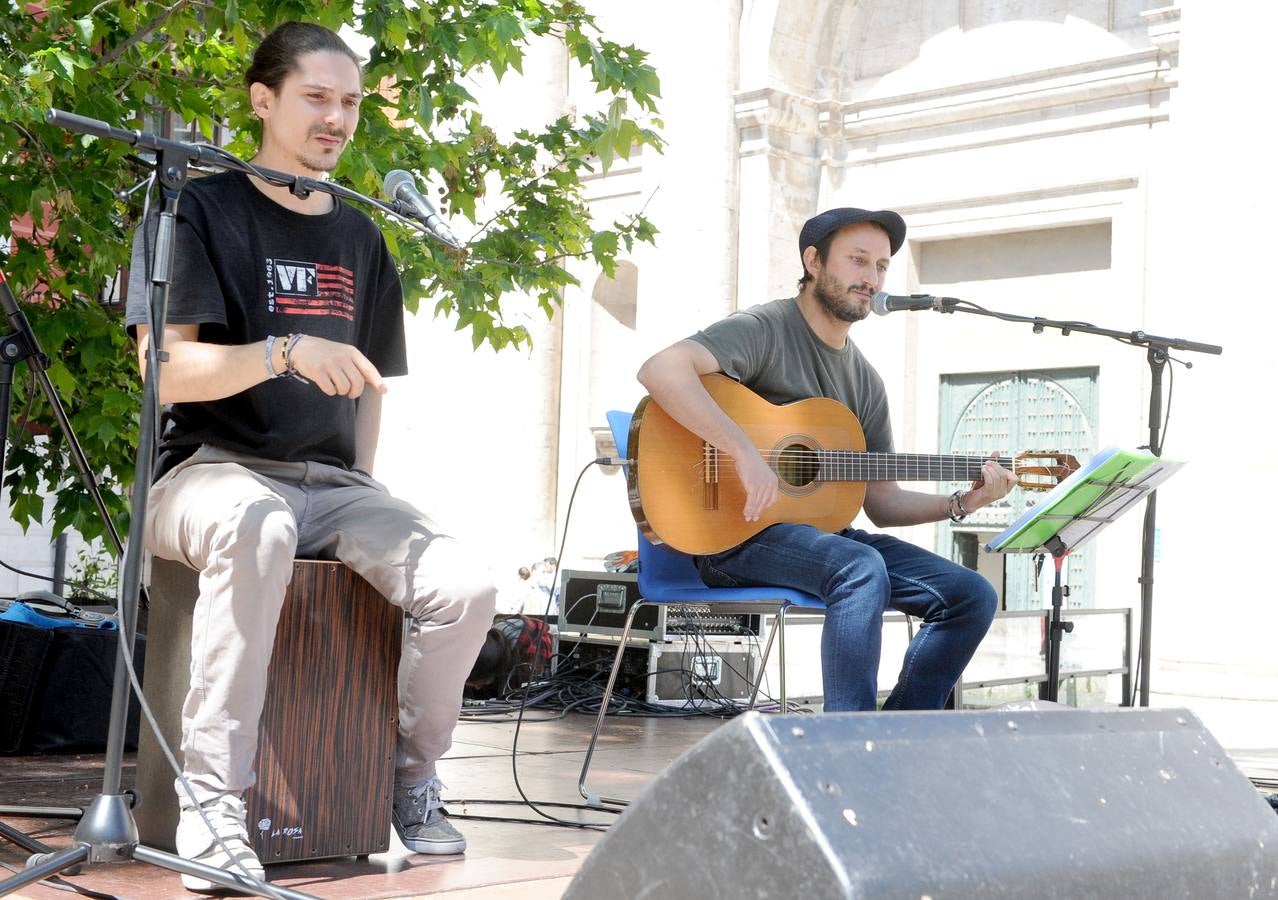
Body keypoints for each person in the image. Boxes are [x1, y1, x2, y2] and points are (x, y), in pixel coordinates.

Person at [124, 22, 495, 891]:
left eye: (350, 102)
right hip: (207, 473)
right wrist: (285, 351)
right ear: (263, 100)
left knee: (466, 587)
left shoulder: (364, 238)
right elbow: (163, 369)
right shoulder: (195, 210)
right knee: (256, 522)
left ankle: (408, 776)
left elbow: (369, 387)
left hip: (331, 485)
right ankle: (212, 806)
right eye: (317, 97)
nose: (337, 118)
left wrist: (364, 491)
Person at [636, 207, 1017, 713]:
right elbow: (660, 370)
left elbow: (882, 502)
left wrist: (961, 503)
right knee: (860, 568)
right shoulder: (766, 328)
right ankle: (845, 739)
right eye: (858, 260)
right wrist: (742, 451)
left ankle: (896, 734)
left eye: (881, 266)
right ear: (813, 261)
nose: (871, 278)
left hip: (821, 540)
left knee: (971, 595)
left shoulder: (866, 382)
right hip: (732, 538)